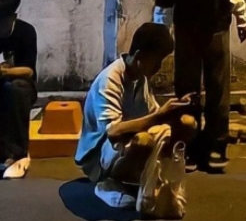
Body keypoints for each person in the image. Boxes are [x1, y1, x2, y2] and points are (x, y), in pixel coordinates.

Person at [153, 0, 246, 171]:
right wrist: (161, 41)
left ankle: (217, 145)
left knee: (218, 90)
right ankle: (189, 145)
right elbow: (163, 11)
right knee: (186, 92)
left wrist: (242, 17)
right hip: (186, 33)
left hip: (217, 28)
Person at [75, 22, 196, 215]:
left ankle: (154, 180)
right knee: (144, 141)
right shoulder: (110, 79)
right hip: (99, 156)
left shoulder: (140, 78)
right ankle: (109, 184)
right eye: (157, 61)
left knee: (187, 123)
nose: (159, 67)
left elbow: (152, 114)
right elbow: (114, 132)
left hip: (122, 146)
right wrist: (160, 116)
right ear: (139, 56)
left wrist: (175, 111)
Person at [0, 0, 37, 179]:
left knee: (13, 89)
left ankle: (17, 154)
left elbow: (28, 71)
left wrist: (5, 72)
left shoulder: (26, 32)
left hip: (21, 85)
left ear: (13, 17)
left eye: (2, 22)